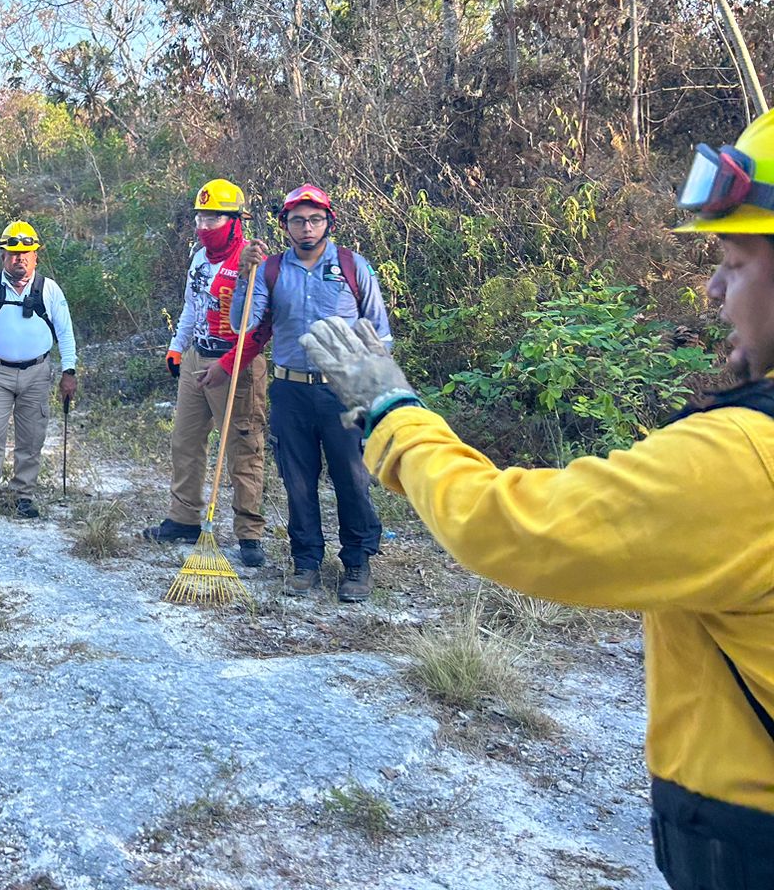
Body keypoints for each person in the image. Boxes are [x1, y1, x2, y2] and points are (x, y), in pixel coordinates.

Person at [299, 110, 774, 890]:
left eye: (735, 260)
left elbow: (513, 526)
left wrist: (393, 414)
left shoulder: (748, 461)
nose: (715, 289)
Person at [231, 185, 391, 602]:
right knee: (297, 479)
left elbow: (379, 332)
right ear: (284, 225)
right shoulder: (269, 269)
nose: (307, 228)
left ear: (329, 223)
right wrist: (243, 275)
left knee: (352, 478)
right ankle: (306, 562)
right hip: (289, 389)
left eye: (315, 219)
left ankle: (357, 562)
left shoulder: (354, 267)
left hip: (342, 390)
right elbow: (243, 324)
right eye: (298, 220)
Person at [142, 180, 267, 568]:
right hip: (197, 358)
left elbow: (260, 321)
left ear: (234, 221)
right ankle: (183, 518)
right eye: (200, 217)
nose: (204, 225)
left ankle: (249, 533)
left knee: (243, 449)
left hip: (236, 364)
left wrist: (248, 276)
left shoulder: (253, 259)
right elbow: (191, 308)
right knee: (185, 441)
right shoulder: (199, 258)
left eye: (213, 218)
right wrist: (177, 347)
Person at [0, 220, 79, 525]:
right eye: (13, 253)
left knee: (32, 438)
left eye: (27, 252)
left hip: (37, 373)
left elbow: (65, 332)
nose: (20, 258)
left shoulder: (49, 290)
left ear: (36, 255)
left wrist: (69, 370)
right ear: (3, 256)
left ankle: (23, 496)